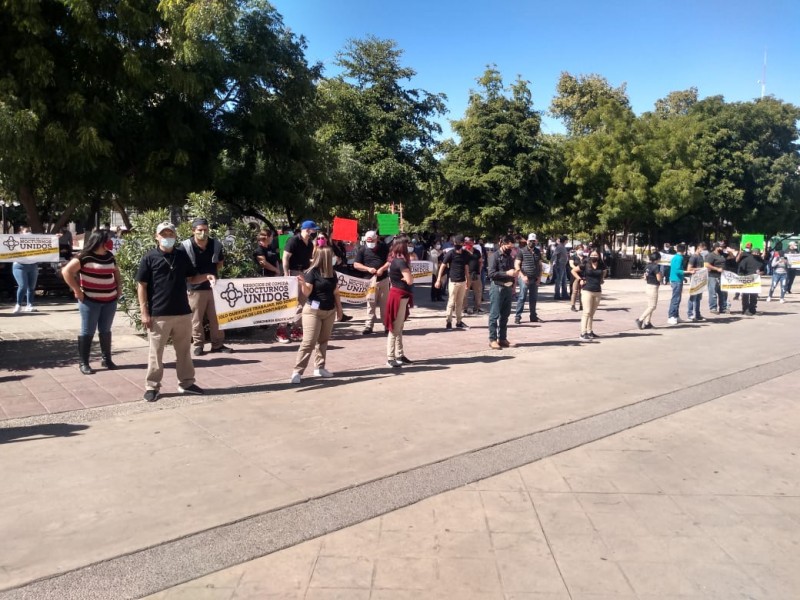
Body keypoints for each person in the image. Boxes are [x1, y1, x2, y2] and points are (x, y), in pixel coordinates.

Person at [136, 221, 213, 402]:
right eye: (164, 234)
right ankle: (152, 386)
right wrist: (144, 312)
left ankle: (186, 383)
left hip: (182, 312)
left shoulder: (181, 255)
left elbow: (192, 277)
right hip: (159, 313)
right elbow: (141, 285)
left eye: (171, 234)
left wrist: (206, 276)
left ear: (175, 236)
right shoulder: (149, 257)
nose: (167, 237)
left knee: (184, 351)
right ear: (157, 237)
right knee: (156, 353)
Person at [62, 229, 122, 374]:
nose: (110, 241)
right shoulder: (84, 256)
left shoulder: (109, 256)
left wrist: (119, 287)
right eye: (108, 239)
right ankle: (84, 363)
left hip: (110, 300)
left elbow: (115, 271)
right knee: (87, 331)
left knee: (105, 330)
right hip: (90, 301)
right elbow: (66, 272)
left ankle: (106, 359)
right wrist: (77, 290)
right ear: (100, 240)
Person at [289, 245, 341, 384]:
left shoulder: (333, 273)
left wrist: (340, 311)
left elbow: (336, 292)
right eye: (332, 256)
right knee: (309, 342)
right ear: (325, 258)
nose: (335, 259)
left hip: (329, 311)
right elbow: (307, 293)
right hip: (313, 311)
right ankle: (297, 371)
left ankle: (320, 367)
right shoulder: (312, 272)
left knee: (323, 341)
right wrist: (302, 284)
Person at [181, 218, 232, 356]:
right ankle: (198, 345)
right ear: (193, 231)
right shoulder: (185, 246)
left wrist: (213, 274)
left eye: (205, 230)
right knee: (196, 319)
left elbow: (220, 262)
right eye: (200, 230)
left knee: (218, 318)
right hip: (194, 288)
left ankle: (218, 344)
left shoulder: (215, 244)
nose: (203, 233)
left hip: (214, 288)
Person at [279, 221, 318, 343]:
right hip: (293, 273)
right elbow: (285, 257)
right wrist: (286, 273)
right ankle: (281, 330)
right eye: (313, 229)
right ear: (307, 229)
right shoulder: (293, 240)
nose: (315, 232)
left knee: (302, 303)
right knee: (289, 303)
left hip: (304, 273)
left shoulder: (310, 244)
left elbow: (309, 259)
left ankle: (296, 330)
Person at [384, 237, 414, 368]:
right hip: (399, 296)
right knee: (395, 328)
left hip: (398, 294)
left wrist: (406, 276)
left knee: (399, 327)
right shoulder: (400, 262)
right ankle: (391, 357)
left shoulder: (393, 261)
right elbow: (410, 280)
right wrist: (407, 276)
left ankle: (399, 354)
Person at [353, 230, 390, 334]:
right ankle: (369, 325)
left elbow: (390, 260)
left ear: (376, 238)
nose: (371, 245)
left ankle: (386, 325)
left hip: (383, 280)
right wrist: (368, 269)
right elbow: (356, 264)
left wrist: (382, 268)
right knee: (370, 305)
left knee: (384, 304)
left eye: (372, 242)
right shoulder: (362, 249)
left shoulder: (383, 247)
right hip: (369, 281)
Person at [487, 235, 518, 349]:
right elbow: (491, 274)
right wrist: (507, 274)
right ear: (502, 244)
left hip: (508, 288)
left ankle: (503, 338)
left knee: (505, 315)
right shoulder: (494, 256)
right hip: (497, 287)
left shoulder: (509, 256)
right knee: (494, 315)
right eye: (508, 246)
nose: (510, 249)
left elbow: (512, 271)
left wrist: (514, 282)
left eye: (512, 247)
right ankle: (492, 339)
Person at [435, 234, 470, 330]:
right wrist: (438, 279)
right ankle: (448, 322)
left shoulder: (465, 254)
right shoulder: (450, 253)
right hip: (453, 281)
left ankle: (459, 321)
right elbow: (442, 266)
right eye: (455, 243)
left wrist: (468, 281)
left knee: (460, 302)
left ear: (462, 243)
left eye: (458, 243)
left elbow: (466, 268)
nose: (456, 244)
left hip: (462, 281)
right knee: (451, 302)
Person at [572, 249, 605, 340]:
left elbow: (604, 271)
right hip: (587, 290)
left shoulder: (601, 265)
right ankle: (583, 333)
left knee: (592, 313)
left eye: (596, 255)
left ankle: (590, 331)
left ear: (599, 256)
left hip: (597, 291)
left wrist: (602, 279)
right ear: (589, 255)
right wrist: (580, 279)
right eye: (592, 255)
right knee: (586, 312)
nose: (594, 257)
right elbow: (574, 271)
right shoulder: (586, 263)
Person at [514, 233, 544, 324]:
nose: (532, 242)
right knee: (522, 297)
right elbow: (517, 264)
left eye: (533, 241)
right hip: (524, 277)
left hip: (534, 277)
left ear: (536, 241)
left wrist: (539, 277)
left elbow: (540, 265)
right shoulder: (521, 251)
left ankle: (533, 316)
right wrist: (522, 276)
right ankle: (517, 317)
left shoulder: (538, 251)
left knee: (533, 298)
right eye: (530, 241)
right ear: (527, 241)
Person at [11, 226, 39, 314]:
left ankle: (29, 305)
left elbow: (46, 242)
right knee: (22, 285)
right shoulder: (16, 240)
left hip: (33, 266)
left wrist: (55, 238)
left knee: (31, 287)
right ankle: (18, 305)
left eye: (30, 231)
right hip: (20, 266)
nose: (29, 232)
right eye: (26, 231)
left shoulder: (35, 240)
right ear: (21, 232)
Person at [635, 252, 662, 329]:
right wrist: (661, 274)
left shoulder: (647, 266)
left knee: (649, 305)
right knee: (652, 306)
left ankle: (647, 323)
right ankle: (640, 319)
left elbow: (644, 277)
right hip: (653, 287)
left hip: (648, 286)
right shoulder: (656, 267)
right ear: (657, 259)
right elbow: (658, 278)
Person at [667, 244, 691, 325]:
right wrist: (688, 272)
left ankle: (676, 315)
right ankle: (671, 316)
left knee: (677, 298)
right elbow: (678, 270)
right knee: (676, 299)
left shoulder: (675, 257)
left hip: (676, 279)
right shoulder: (679, 258)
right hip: (676, 280)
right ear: (684, 251)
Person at [737, 243, 763, 316]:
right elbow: (741, 269)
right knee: (745, 295)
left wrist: (761, 272)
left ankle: (753, 309)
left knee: (754, 295)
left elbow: (764, 270)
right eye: (755, 252)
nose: (756, 254)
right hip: (746, 279)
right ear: (752, 252)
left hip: (756, 280)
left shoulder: (760, 260)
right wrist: (742, 278)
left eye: (757, 253)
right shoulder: (746, 259)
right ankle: (745, 309)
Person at [463, 236, 484, 314]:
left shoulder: (477, 251)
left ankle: (477, 307)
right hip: (466, 274)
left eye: (470, 242)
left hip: (476, 274)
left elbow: (480, 261)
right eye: (467, 242)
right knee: (465, 292)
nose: (468, 243)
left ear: (473, 242)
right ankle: (464, 308)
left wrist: (480, 271)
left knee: (478, 291)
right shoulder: (464, 252)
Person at [704, 242, 727, 313]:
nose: (723, 248)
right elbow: (706, 264)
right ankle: (713, 308)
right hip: (713, 276)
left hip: (722, 277)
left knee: (723, 293)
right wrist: (717, 269)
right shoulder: (711, 255)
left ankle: (723, 308)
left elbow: (732, 257)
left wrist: (730, 251)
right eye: (721, 247)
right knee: (713, 292)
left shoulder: (722, 254)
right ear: (716, 247)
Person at [686, 243, 707, 322]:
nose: (703, 251)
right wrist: (700, 269)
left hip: (700, 278)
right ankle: (690, 314)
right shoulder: (693, 257)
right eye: (702, 249)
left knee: (698, 297)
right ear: (698, 248)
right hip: (694, 278)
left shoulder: (701, 256)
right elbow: (689, 268)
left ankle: (697, 314)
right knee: (693, 296)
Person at [568, 245, 584, 312]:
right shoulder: (573, 257)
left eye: (582, 249)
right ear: (576, 250)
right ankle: (573, 305)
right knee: (575, 291)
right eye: (579, 249)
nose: (581, 250)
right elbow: (571, 265)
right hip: (575, 275)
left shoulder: (584, 258)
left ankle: (582, 305)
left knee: (582, 291)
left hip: (583, 275)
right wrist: (577, 269)